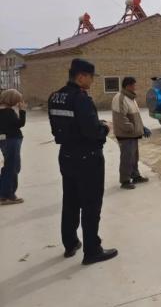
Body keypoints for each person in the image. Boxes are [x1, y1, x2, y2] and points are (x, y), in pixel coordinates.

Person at [48, 58, 118, 265]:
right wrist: (105, 128)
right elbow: (92, 131)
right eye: (90, 77)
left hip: (67, 155)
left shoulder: (55, 97)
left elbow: (58, 128)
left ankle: (70, 243)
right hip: (87, 158)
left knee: (70, 201)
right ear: (80, 77)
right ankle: (92, 250)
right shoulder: (81, 99)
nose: (92, 81)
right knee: (91, 204)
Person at [112, 77, 151, 190]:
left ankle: (135, 176)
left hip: (132, 134)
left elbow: (135, 116)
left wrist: (141, 127)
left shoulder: (130, 98)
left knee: (134, 157)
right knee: (127, 158)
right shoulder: (120, 98)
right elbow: (120, 118)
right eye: (134, 85)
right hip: (125, 134)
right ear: (128, 86)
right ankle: (125, 180)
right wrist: (133, 128)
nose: (135, 87)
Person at [0, 89, 26, 205]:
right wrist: (22, 111)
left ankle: (3, 194)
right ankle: (8, 195)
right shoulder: (8, 112)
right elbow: (20, 123)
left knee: (9, 166)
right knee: (12, 167)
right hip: (12, 140)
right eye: (17, 100)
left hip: (4, 140)